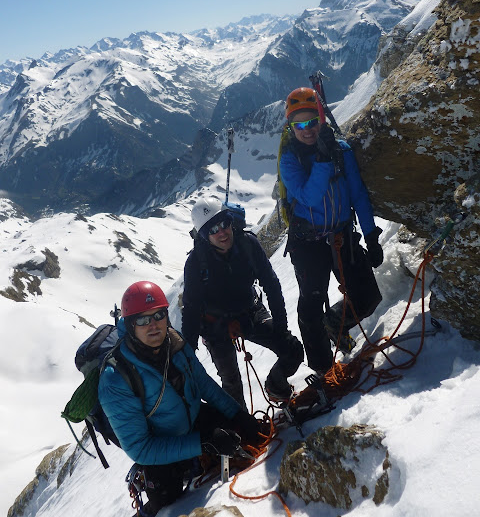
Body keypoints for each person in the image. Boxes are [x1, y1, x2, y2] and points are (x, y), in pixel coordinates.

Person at [98, 280, 260, 516]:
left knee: (234, 431)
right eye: (143, 319)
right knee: (167, 499)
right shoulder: (116, 379)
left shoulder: (174, 342)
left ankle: (198, 460)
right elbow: (140, 448)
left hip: (191, 420)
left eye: (159, 315)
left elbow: (204, 385)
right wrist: (202, 443)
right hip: (159, 444)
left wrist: (238, 414)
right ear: (130, 325)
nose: (153, 325)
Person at [279, 87, 383, 376]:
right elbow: (309, 197)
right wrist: (323, 161)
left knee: (368, 298)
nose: (307, 129)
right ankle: (324, 371)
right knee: (310, 308)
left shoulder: (342, 151)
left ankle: (334, 324)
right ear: (290, 127)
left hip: (341, 235)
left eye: (312, 121)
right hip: (307, 242)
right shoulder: (290, 160)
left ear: (321, 119)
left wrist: (371, 234)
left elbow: (358, 194)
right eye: (299, 124)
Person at [182, 195, 304, 407]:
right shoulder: (195, 263)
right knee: (232, 384)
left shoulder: (248, 244)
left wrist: (281, 328)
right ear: (204, 235)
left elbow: (271, 285)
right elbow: (191, 310)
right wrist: (188, 356)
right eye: (213, 229)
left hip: (250, 312)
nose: (222, 232)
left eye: (224, 223)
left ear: (231, 222)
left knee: (292, 349)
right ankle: (242, 431)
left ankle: (276, 387)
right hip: (214, 325)